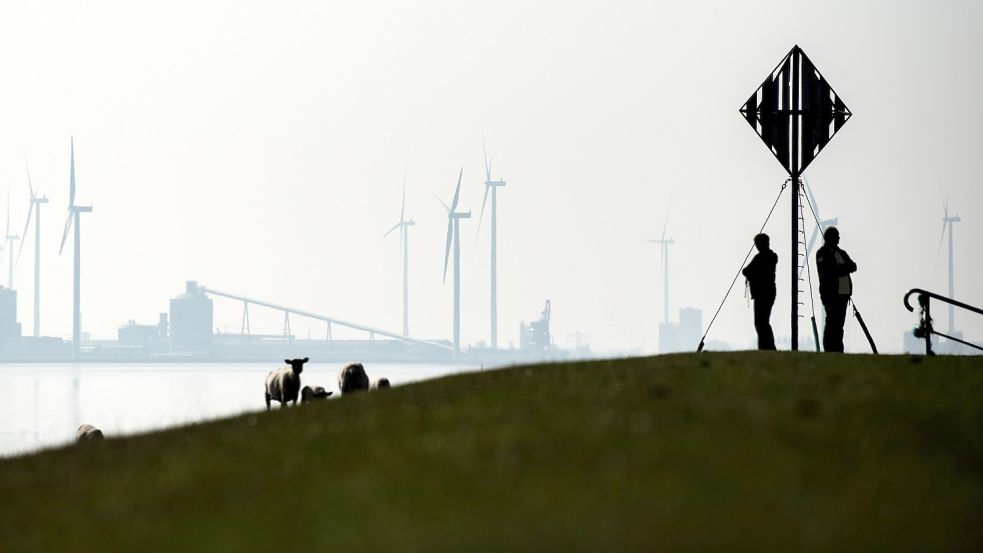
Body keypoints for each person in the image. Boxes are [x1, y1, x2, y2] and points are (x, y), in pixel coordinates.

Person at [816, 226, 857, 353]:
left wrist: (841, 268)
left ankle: (838, 348)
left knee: (839, 324)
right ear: (830, 237)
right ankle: (829, 348)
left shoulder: (841, 253)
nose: (839, 238)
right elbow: (828, 271)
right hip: (830, 294)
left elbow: (853, 266)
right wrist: (843, 269)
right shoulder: (822, 253)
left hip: (843, 294)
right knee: (831, 322)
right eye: (836, 235)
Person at [742, 233, 777, 350]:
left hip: (762, 294)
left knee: (761, 323)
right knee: (763, 322)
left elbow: (746, 271)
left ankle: (767, 347)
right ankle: (766, 347)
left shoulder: (761, 258)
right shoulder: (772, 256)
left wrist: (753, 274)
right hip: (768, 293)